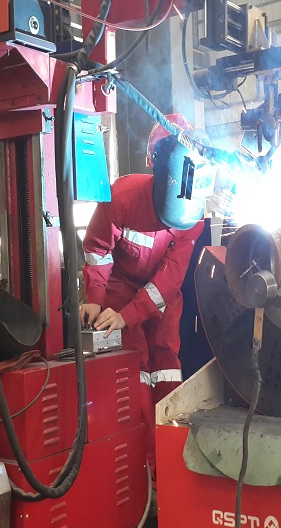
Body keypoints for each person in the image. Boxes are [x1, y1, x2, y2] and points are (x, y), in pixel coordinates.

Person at [80, 114, 211, 453]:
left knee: (166, 365)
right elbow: (97, 251)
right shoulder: (122, 197)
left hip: (161, 296)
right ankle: (140, 458)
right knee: (133, 364)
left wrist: (132, 313)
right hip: (120, 288)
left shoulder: (193, 214)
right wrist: (95, 298)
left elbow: (170, 278)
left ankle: (167, 455)